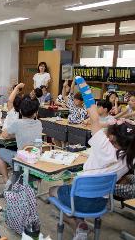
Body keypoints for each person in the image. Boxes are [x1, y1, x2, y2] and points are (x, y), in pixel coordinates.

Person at [49, 76, 135, 240]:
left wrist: (85, 89)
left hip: (80, 199)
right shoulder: (130, 156)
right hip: (101, 202)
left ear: (111, 137)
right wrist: (120, 123)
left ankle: (78, 226)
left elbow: (93, 117)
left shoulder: (103, 146)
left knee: (52, 191)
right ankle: (80, 222)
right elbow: (97, 120)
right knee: (75, 191)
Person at [0, 95, 42, 184]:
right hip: (36, 158)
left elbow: (4, 135)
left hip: (22, 160)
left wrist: (14, 134)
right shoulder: (39, 123)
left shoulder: (17, 123)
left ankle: (6, 180)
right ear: (36, 113)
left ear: (20, 111)